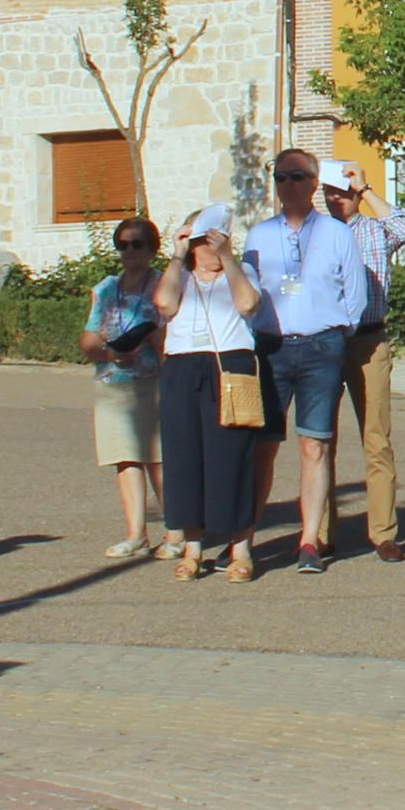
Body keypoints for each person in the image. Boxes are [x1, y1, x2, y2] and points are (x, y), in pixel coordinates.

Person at [243, 149, 366, 575]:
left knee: (315, 444)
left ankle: (310, 541)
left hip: (320, 348)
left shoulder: (336, 233)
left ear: (314, 183)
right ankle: (245, 540)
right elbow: (246, 292)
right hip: (272, 348)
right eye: (281, 177)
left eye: (297, 176)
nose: (288, 184)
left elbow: (355, 297)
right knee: (262, 448)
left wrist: (331, 333)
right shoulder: (259, 235)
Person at [152, 203, 272, 581]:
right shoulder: (179, 275)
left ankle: (240, 549)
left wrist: (228, 258)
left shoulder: (242, 271)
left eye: (212, 240)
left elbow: (249, 303)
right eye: (200, 241)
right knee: (184, 457)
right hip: (183, 366)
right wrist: (176, 254)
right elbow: (163, 304)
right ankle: (192, 548)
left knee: (232, 457)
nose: (206, 249)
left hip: (230, 365)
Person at [320, 158, 405, 563]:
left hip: (368, 340)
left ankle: (383, 532)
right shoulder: (315, 235)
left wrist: (365, 189)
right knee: (320, 440)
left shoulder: (374, 230)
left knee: (376, 439)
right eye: (330, 192)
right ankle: (320, 532)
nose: (336, 200)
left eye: (343, 193)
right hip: (324, 342)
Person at [80, 217, 168, 560]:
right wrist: (109, 352)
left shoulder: (163, 286)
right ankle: (136, 534)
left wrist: (148, 335)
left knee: (158, 459)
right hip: (112, 381)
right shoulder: (105, 289)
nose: (129, 252)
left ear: (152, 249)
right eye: (123, 245)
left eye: (137, 245)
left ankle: (174, 532)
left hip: (153, 381)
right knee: (124, 458)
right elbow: (87, 339)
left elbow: (171, 339)